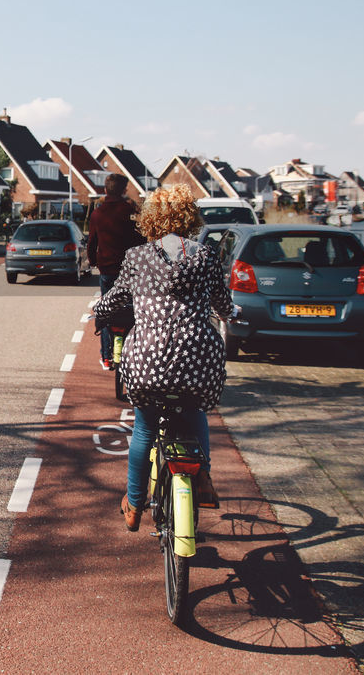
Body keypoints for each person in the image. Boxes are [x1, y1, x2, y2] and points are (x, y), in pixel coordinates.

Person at [92, 184, 239, 531]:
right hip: (197, 362)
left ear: (150, 219)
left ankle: (134, 503)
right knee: (194, 412)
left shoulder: (137, 258)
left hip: (148, 364)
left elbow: (114, 300)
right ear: (190, 217)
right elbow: (224, 305)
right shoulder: (204, 258)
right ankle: (201, 477)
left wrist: (99, 311)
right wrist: (234, 312)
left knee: (144, 427)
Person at [86, 174, 144, 370]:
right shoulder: (130, 212)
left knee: (106, 310)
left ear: (105, 190)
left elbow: (91, 242)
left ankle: (106, 356)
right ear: (124, 190)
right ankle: (135, 351)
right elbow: (141, 240)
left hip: (107, 271)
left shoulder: (97, 214)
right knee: (135, 310)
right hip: (131, 271)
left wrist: (94, 262)